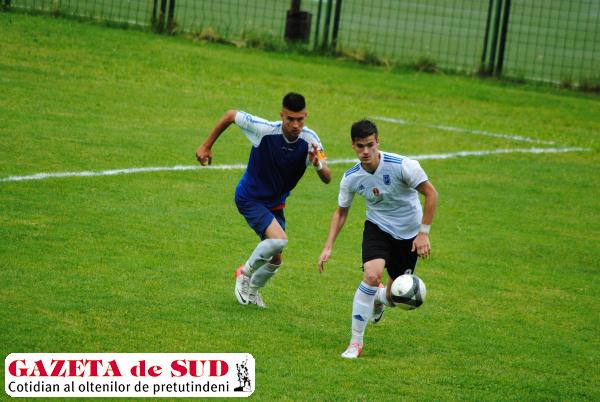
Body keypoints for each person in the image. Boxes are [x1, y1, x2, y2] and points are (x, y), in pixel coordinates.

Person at [196, 92, 331, 307]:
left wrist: (317, 164)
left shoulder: (311, 141)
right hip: (250, 197)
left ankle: (252, 291)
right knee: (279, 240)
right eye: (290, 119)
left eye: (300, 119)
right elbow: (231, 115)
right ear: (282, 115)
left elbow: (327, 177)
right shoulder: (265, 130)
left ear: (305, 116)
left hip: (275, 203)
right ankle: (244, 274)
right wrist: (206, 145)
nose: (295, 125)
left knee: (275, 259)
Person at [318, 119, 438, 359]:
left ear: (377, 142)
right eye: (360, 146)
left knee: (395, 296)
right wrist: (328, 246)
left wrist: (423, 233)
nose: (365, 151)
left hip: (409, 235)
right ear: (353, 146)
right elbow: (341, 212)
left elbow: (431, 194)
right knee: (372, 276)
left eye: (370, 145)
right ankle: (355, 343)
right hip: (378, 228)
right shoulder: (351, 177)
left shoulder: (403, 166)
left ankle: (381, 299)